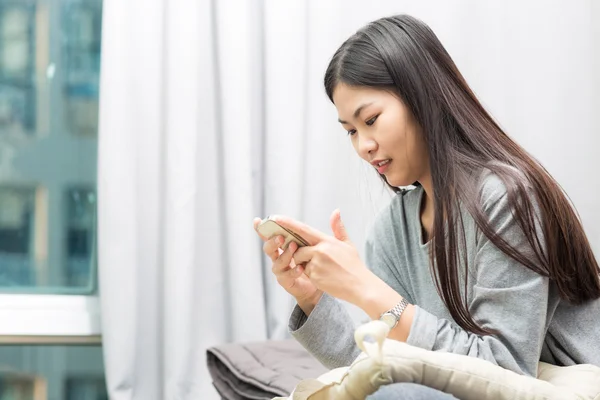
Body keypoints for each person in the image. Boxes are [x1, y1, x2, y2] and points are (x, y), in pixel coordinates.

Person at [253, 14, 600, 399]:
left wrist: (365, 288)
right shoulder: (393, 230)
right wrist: (313, 298)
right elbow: (380, 370)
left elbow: (503, 370)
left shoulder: (505, 198)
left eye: (371, 119)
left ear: (424, 98)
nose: (363, 145)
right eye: (351, 130)